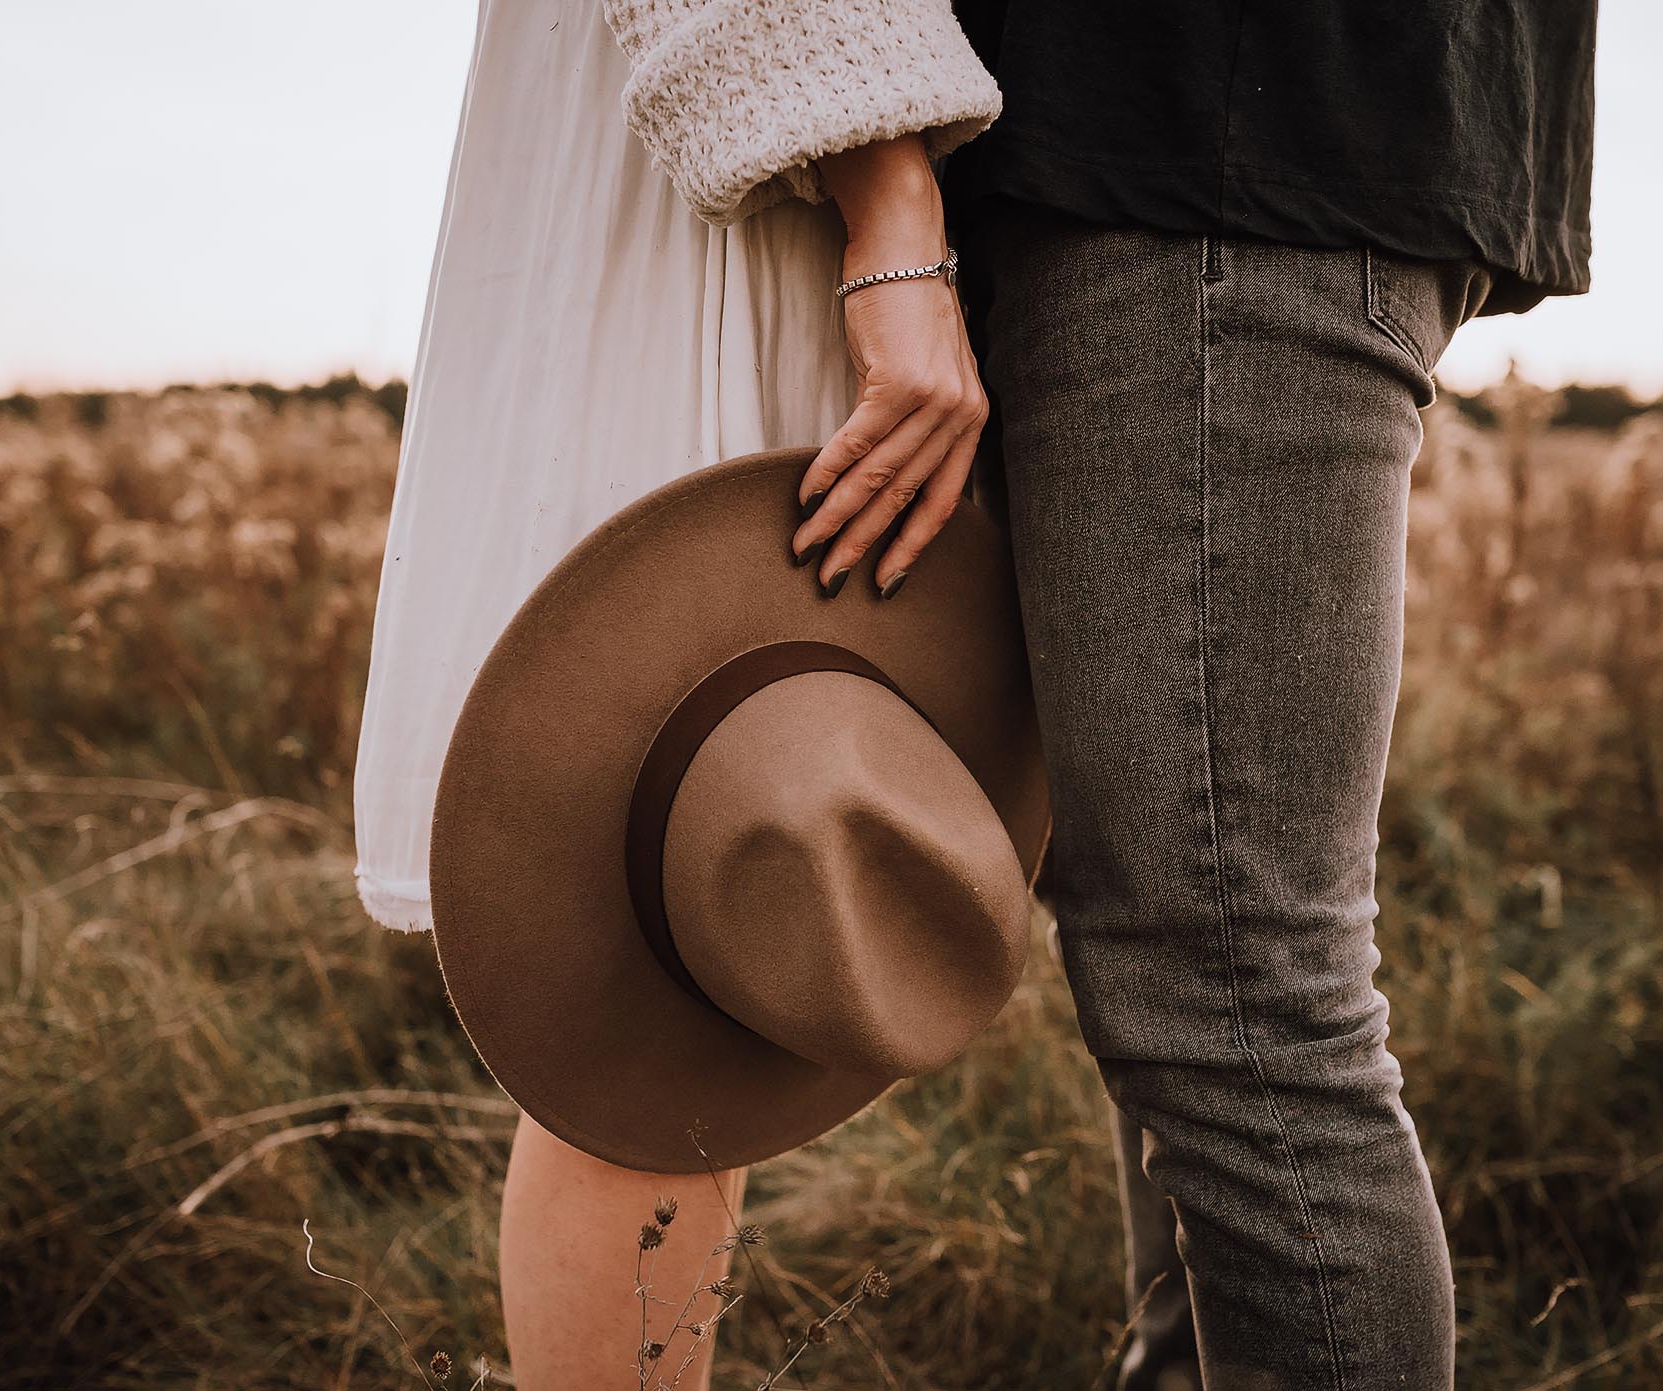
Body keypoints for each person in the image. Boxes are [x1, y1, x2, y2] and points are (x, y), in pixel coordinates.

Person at [353, 1, 1594, 1388]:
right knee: (1195, 989)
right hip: (1167, 153)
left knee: (1240, 999)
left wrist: (885, 203)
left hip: (1213, 140)